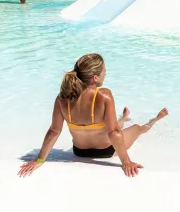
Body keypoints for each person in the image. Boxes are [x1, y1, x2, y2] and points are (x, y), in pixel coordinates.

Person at [18, 54, 168, 178]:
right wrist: (126, 162)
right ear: (95, 77)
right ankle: (153, 120)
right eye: (104, 71)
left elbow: (54, 131)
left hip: (79, 151)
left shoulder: (62, 98)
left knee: (112, 125)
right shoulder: (104, 95)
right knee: (137, 128)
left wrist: (39, 160)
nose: (105, 73)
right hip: (107, 151)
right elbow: (113, 133)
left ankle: (122, 119)